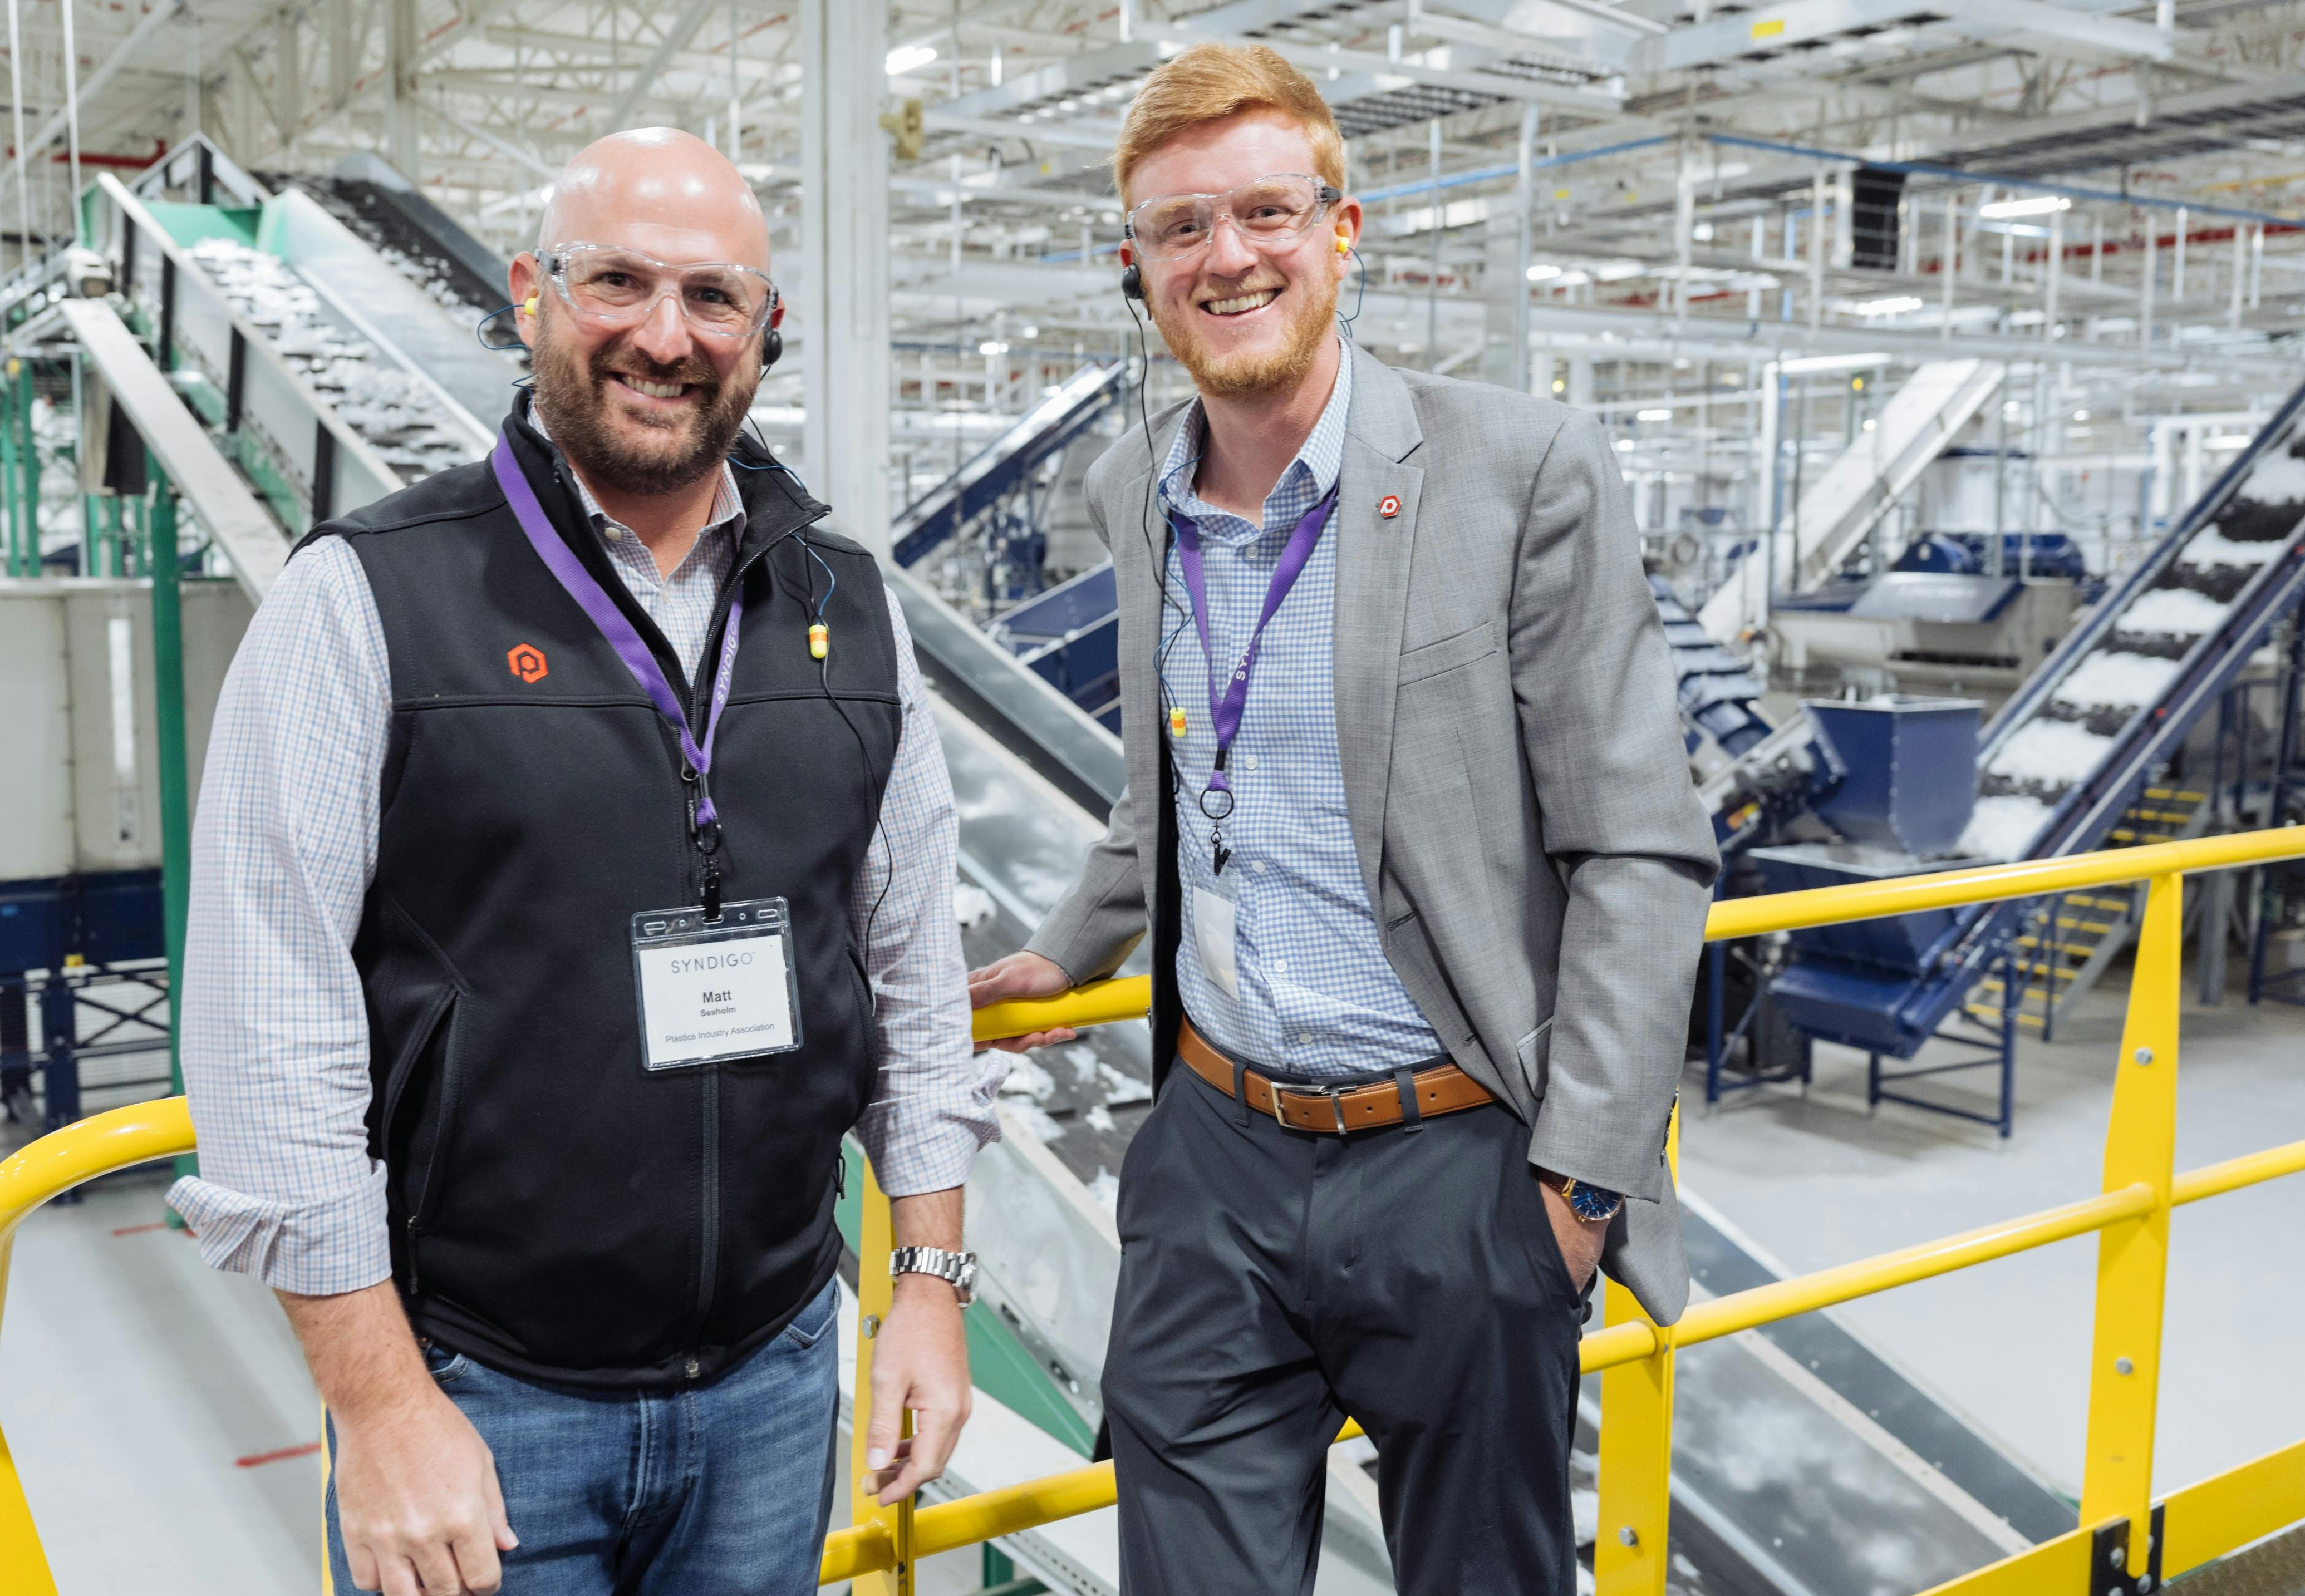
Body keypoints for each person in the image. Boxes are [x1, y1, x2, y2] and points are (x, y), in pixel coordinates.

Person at [170, 128, 991, 1596]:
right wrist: (376, 1400)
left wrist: (925, 1283)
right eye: (616, 282)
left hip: (776, 1374)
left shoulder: (850, 612)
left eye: (711, 297)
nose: (663, 337)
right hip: (484, 1399)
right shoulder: (366, 598)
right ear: (531, 294)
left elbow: (915, 975)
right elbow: (266, 1028)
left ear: (764, 332)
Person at [965, 43, 1718, 1595]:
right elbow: (1170, 780)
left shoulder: (1517, 470)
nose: (1225, 257)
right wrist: (1062, 950)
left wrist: (1576, 1186)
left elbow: (1637, 849)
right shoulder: (1133, 490)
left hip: (1455, 1161)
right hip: (1214, 1160)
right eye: (1181, 229)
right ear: (1138, 267)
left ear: (1341, 228)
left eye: (1263, 213)